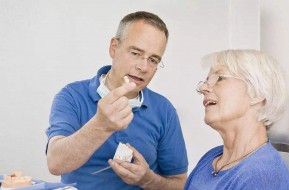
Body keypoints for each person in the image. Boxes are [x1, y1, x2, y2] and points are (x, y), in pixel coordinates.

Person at [45, 11, 188, 190]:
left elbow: (180, 183)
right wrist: (101, 125)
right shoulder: (72, 96)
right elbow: (55, 163)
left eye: (153, 60)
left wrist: (148, 179)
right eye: (136, 53)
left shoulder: (164, 110)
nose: (143, 67)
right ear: (114, 48)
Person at [184, 50, 289, 190]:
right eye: (206, 81)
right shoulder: (212, 157)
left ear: (257, 93)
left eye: (219, 78)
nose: (202, 87)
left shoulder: (262, 176)